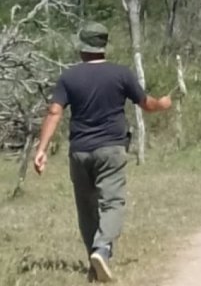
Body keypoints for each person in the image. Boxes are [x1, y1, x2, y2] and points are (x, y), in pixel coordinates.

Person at [33, 21, 172, 283]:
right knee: (113, 202)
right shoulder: (121, 74)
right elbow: (147, 104)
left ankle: (95, 261)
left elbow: (54, 112)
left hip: (80, 151)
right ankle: (102, 249)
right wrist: (163, 104)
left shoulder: (69, 77)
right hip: (111, 149)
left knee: (86, 208)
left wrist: (41, 150)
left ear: (82, 47)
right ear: (104, 46)